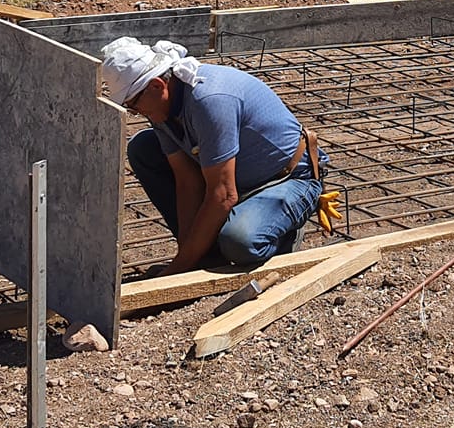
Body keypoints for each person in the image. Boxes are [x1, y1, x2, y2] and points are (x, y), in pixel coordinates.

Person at [101, 37, 330, 273]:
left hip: (286, 177)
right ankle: (206, 253)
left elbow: (222, 195)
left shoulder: (209, 101)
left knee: (240, 243)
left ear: (158, 85)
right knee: (143, 148)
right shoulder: (162, 106)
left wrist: (176, 270)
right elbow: (187, 182)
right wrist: (187, 259)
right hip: (235, 179)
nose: (135, 113)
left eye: (134, 105)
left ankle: (283, 234)